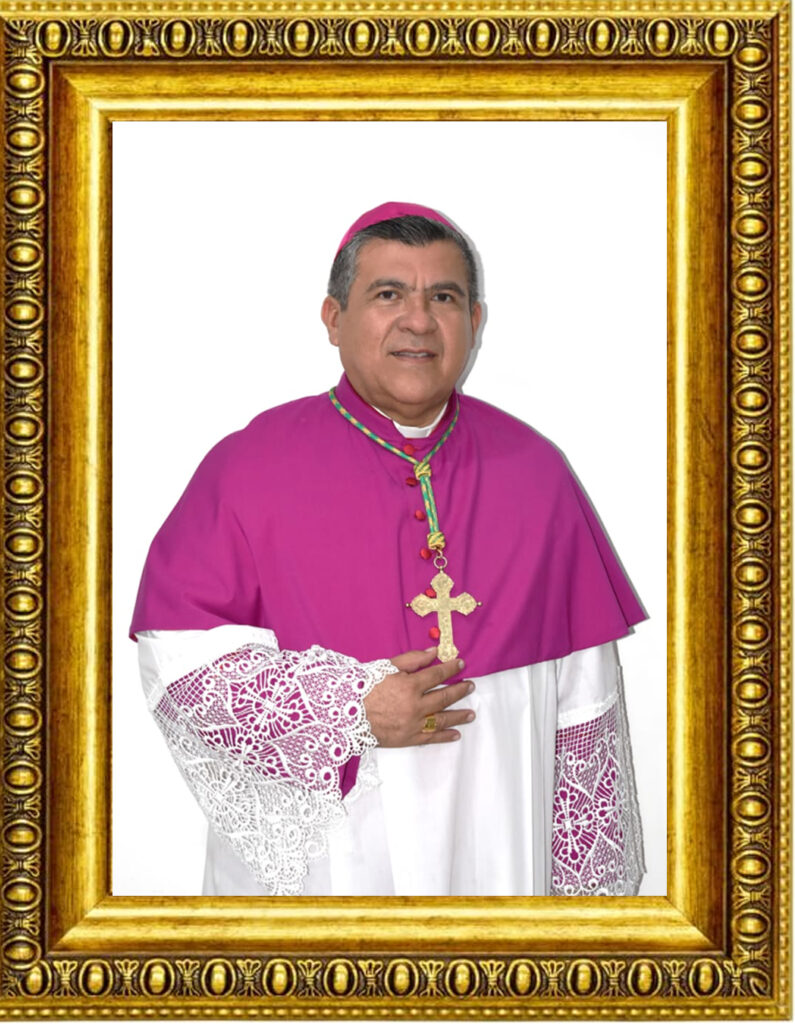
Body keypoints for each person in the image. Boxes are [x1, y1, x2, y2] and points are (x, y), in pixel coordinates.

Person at [131, 201, 646, 897]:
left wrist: (582, 911)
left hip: (498, 850)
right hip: (328, 865)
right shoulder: (249, 466)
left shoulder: (536, 471)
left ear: (475, 321)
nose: (418, 320)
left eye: (444, 297)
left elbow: (586, 701)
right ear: (333, 318)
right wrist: (350, 713)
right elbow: (179, 665)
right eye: (387, 295)